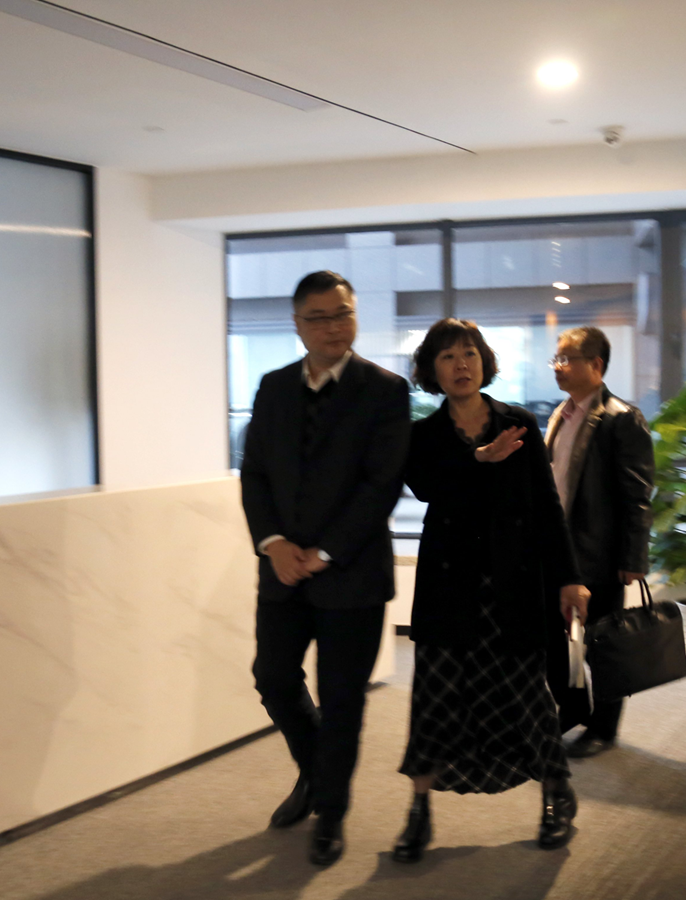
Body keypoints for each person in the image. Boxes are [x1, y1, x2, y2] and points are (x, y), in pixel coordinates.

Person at [392, 318, 591, 864]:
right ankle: (418, 810)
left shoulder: (518, 422)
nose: (461, 364)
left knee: (528, 694)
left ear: (484, 362)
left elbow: (547, 506)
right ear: (432, 370)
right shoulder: (424, 435)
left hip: (512, 583)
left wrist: (570, 576)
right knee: (434, 697)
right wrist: (478, 458)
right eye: (448, 356)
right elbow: (427, 486)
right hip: (447, 585)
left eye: (470, 354)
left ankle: (556, 792)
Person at [240, 270, 411, 866]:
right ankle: (317, 774)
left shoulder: (384, 390)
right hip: (283, 572)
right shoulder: (273, 387)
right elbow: (255, 473)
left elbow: (381, 483)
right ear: (297, 325)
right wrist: (273, 543)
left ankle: (331, 813)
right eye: (319, 318)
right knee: (273, 678)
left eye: (343, 315)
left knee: (342, 700)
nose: (333, 328)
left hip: (352, 574)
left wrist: (326, 551)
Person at [545, 326, 654, 758]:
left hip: (599, 552)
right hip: (560, 548)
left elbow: (637, 495)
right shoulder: (561, 413)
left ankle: (604, 729)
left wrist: (633, 557)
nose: (558, 366)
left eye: (566, 359)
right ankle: (575, 708)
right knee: (555, 639)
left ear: (596, 365)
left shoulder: (621, 418)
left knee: (603, 644)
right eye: (556, 359)